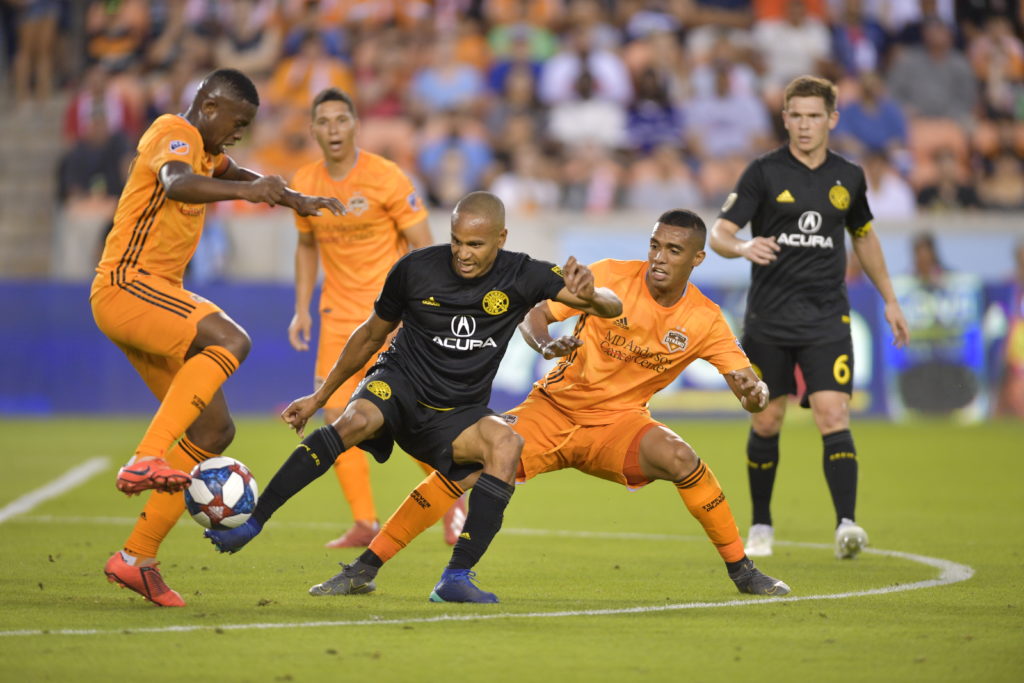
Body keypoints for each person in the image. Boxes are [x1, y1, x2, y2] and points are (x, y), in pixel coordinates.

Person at [306, 209, 792, 601]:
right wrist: (544, 344)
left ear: (698, 258)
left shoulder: (705, 319)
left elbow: (747, 383)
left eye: (673, 250)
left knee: (683, 459)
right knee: (462, 467)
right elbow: (536, 313)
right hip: (553, 410)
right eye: (654, 245)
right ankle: (365, 568)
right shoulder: (610, 278)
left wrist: (756, 394)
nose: (659, 258)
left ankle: (743, 571)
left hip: (617, 428)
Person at [204, 191, 623, 603]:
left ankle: (455, 577)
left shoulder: (524, 273)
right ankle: (254, 522)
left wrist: (590, 295)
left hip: (456, 412)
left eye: (475, 244)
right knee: (355, 421)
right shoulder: (415, 269)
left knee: (507, 444)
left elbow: (610, 305)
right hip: (399, 383)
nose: (462, 252)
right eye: (457, 240)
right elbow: (370, 334)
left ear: (502, 238)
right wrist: (320, 396)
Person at [92, 68, 344, 607]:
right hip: (128, 286)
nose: (239, 133)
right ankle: (146, 457)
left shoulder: (207, 152)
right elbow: (175, 182)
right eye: (237, 121)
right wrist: (253, 192)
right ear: (208, 105)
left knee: (213, 428)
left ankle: (136, 557)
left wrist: (292, 197)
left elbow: (236, 170)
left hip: (150, 295)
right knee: (231, 339)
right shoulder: (174, 132)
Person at [709, 75, 910, 561]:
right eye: (795, 115)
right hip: (769, 320)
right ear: (785, 119)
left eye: (813, 116)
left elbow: (863, 236)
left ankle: (846, 523)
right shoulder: (763, 173)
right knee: (767, 420)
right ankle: (760, 524)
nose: (804, 125)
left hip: (826, 319)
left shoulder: (849, 176)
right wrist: (741, 246)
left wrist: (889, 298)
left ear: (832, 120)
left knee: (833, 412)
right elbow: (719, 232)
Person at [288, 87, 466, 549]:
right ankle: (364, 522)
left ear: (355, 126)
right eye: (323, 121)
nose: (332, 129)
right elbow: (307, 246)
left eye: (341, 120)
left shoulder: (385, 177)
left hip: (386, 318)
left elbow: (424, 248)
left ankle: (452, 499)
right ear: (312, 130)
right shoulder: (305, 182)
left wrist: (423, 308)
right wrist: (301, 307)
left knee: (400, 416)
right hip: (335, 318)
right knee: (334, 412)